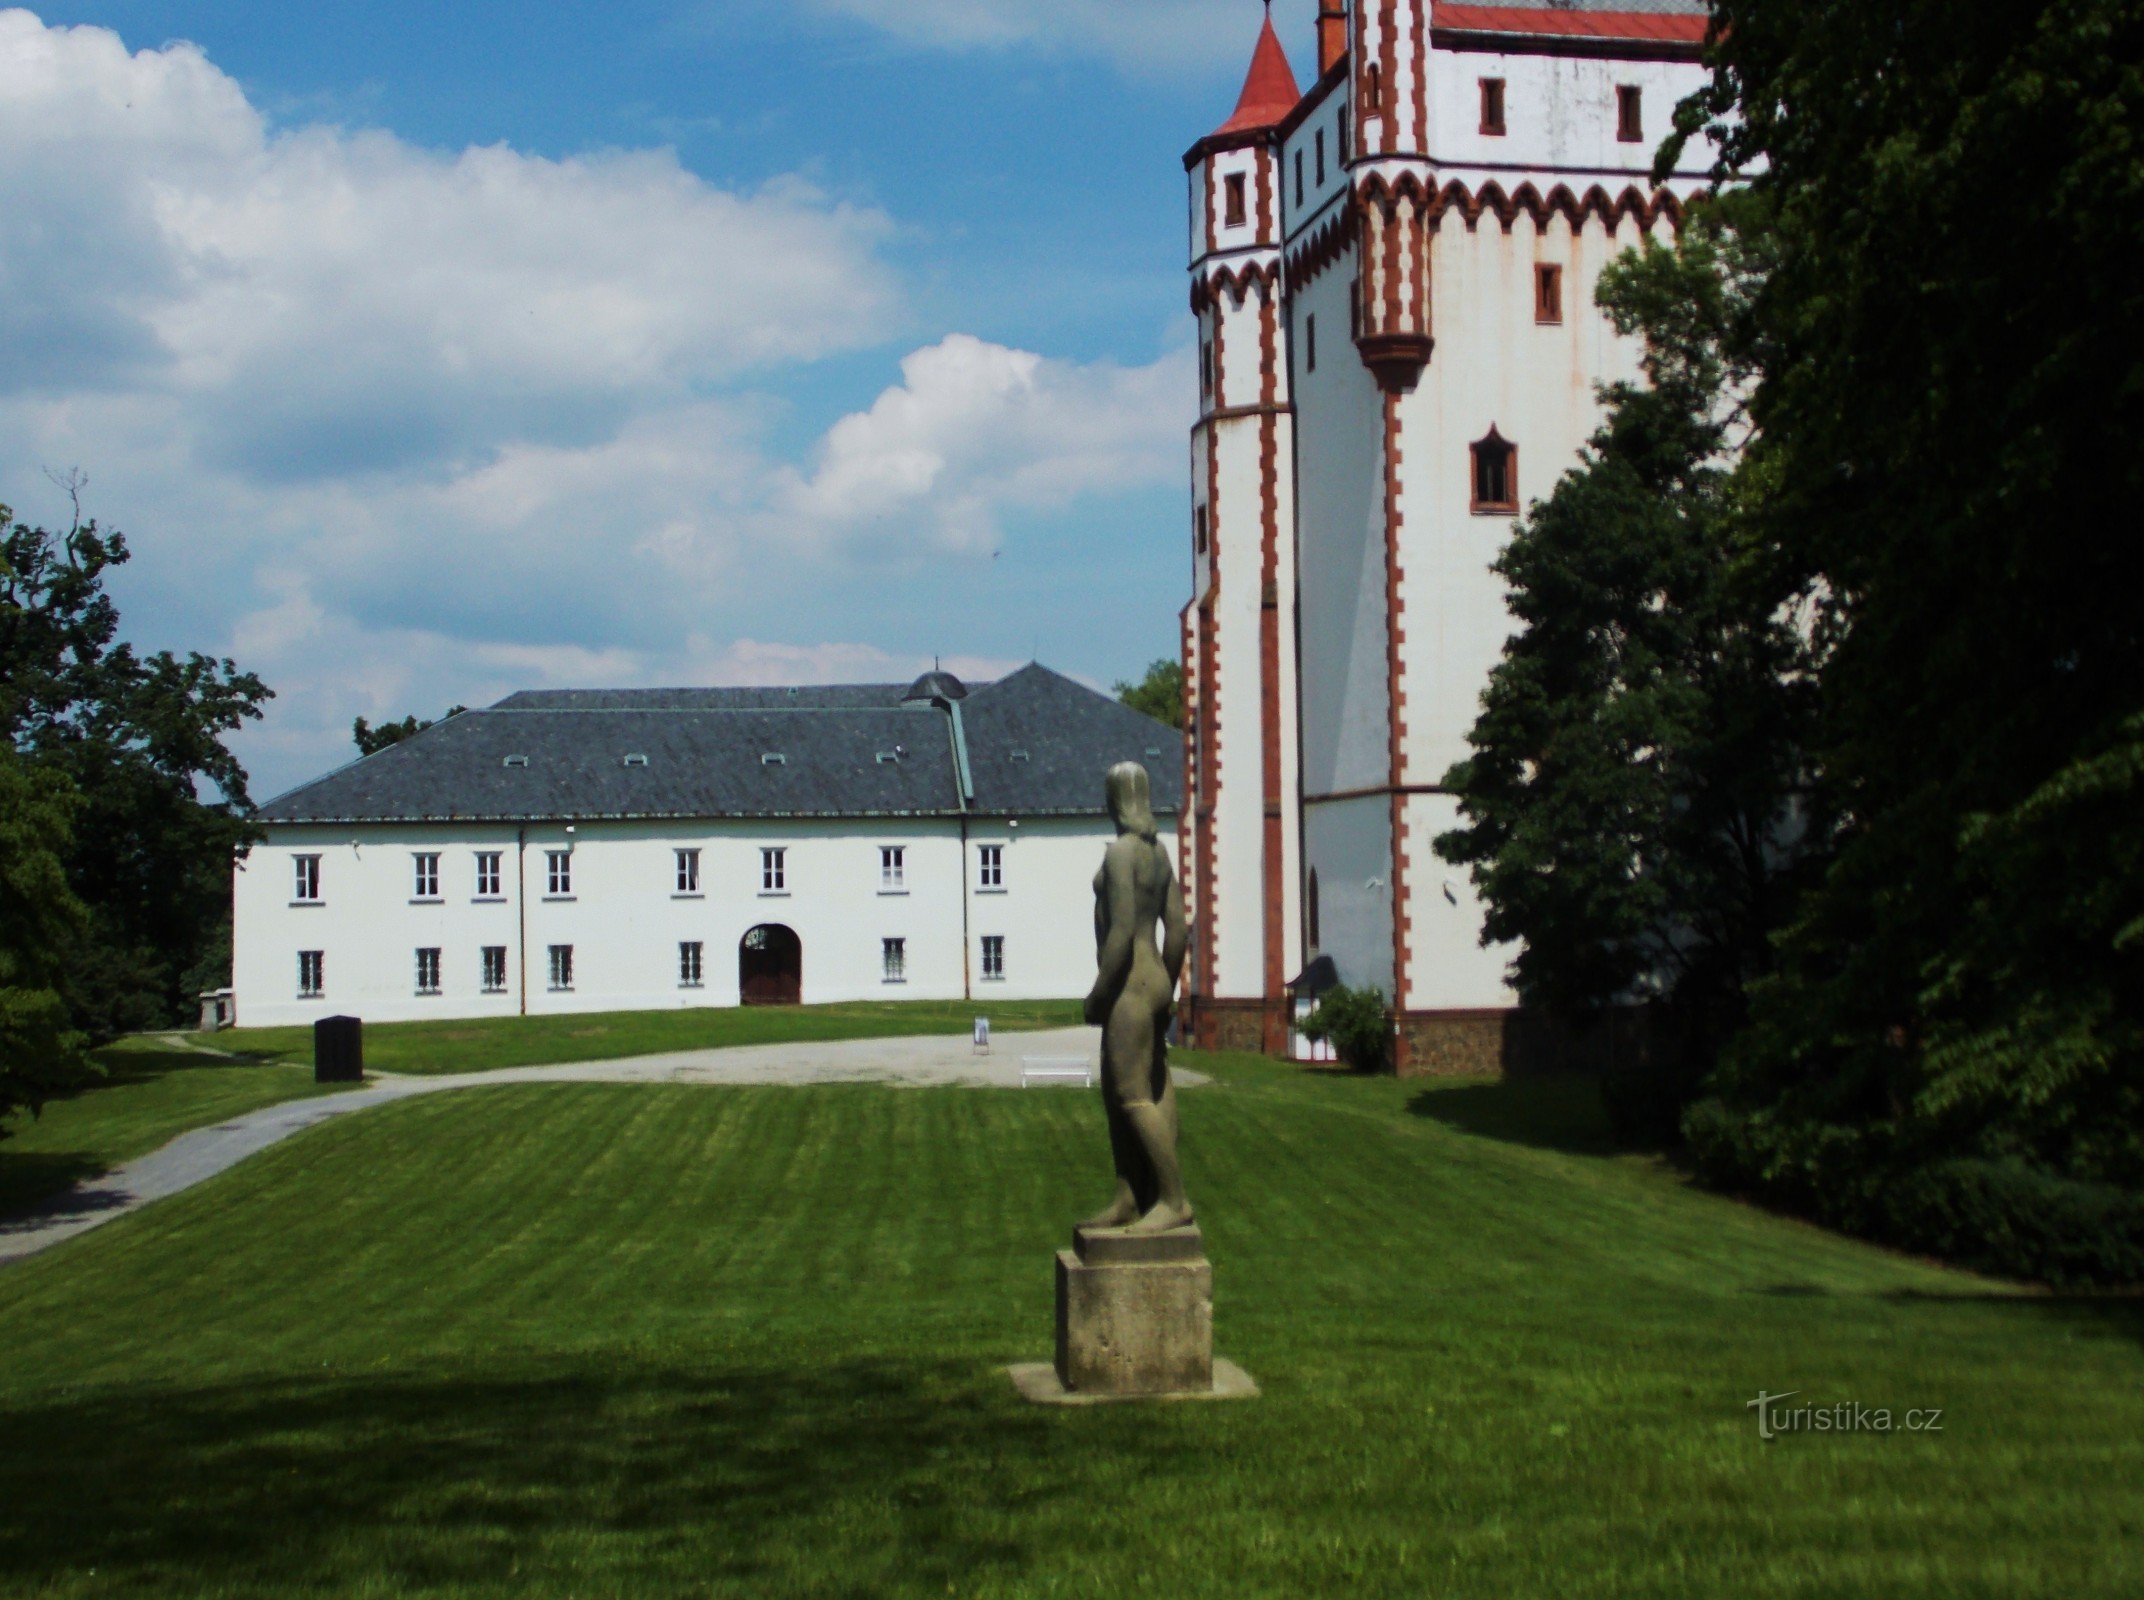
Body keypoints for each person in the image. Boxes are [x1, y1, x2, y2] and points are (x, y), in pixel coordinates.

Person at [1081, 762, 1193, 1233]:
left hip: (1128, 985)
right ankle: (1130, 1196)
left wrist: (1099, 994)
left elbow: (1123, 931)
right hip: (1155, 981)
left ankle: (1172, 1198)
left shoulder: (1121, 854)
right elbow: (1179, 929)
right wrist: (1166, 985)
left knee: (1130, 1096)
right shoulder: (1160, 854)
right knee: (1142, 1086)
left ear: (1113, 801)